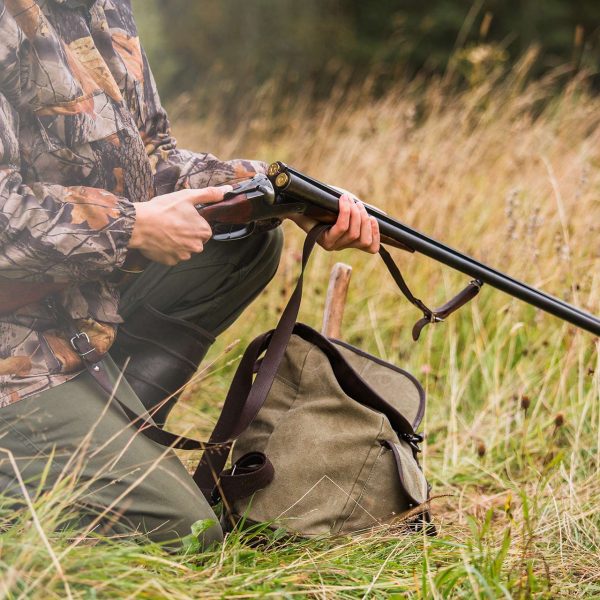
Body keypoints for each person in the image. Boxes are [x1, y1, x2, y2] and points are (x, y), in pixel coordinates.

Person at [0, 0, 380, 548]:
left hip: (70, 321)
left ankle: (100, 437)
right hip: (13, 347)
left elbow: (155, 159)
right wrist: (130, 227)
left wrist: (288, 195)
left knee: (243, 240)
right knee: (188, 533)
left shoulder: (106, 9)